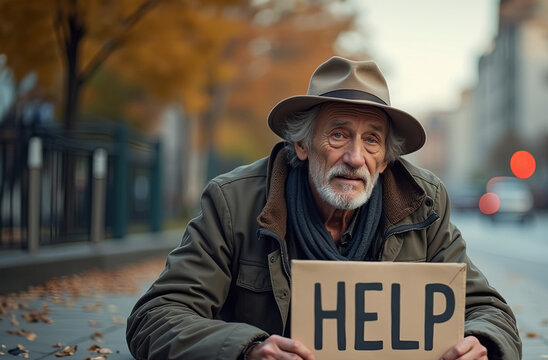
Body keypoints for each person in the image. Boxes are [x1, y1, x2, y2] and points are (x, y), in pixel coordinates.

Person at [126, 56, 521, 360]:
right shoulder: (234, 202)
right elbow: (156, 316)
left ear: (384, 159)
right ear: (302, 144)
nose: (354, 157)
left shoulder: (425, 204)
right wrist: (246, 348)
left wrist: (480, 341)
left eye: (371, 141)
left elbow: (488, 308)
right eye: (338, 134)